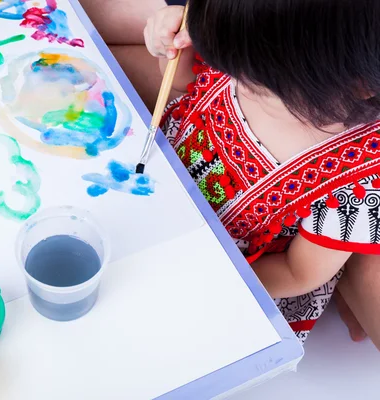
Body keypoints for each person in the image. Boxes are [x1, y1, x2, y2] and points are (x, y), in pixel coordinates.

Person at [143, 0, 380, 345]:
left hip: (231, 277)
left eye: (255, 84)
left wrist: (210, 273)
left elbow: (299, 273)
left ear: (358, 85)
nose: (233, 79)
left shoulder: (358, 177)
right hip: (154, 196)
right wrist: (169, 43)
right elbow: (183, 83)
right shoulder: (250, 48)